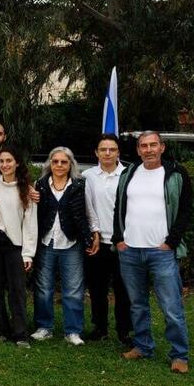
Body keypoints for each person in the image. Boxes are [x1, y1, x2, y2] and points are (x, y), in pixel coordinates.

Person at [113, 131, 192, 374]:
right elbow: (119, 207)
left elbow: (186, 211)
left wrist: (171, 242)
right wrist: (119, 239)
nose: (148, 149)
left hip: (162, 252)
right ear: (138, 150)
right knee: (137, 304)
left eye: (153, 145)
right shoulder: (129, 174)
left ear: (162, 147)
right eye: (143, 146)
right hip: (130, 251)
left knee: (171, 306)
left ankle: (179, 355)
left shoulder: (176, 174)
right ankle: (143, 345)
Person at [31, 147, 90, 346]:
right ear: (49, 164)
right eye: (55, 161)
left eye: (63, 162)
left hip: (71, 242)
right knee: (43, 288)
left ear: (70, 165)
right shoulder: (39, 185)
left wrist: (93, 234)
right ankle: (44, 327)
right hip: (46, 242)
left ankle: (72, 331)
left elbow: (89, 212)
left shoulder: (80, 185)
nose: (59, 165)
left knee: (73, 290)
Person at [82, 134, 132, 344]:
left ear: (118, 152)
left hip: (124, 243)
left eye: (112, 149)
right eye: (103, 149)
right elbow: (87, 208)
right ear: (96, 152)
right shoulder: (87, 176)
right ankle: (100, 328)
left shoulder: (129, 175)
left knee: (124, 290)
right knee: (97, 288)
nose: (108, 153)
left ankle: (124, 331)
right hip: (98, 243)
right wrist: (93, 233)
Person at [0, 146, 37, 347]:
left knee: (17, 291)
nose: (5, 165)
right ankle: (1, 330)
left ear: (17, 163)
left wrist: (28, 254)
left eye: (9, 161)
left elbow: (30, 223)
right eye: (1, 162)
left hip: (15, 245)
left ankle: (20, 333)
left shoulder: (27, 190)